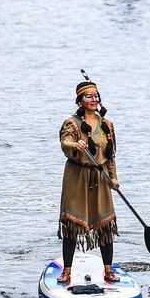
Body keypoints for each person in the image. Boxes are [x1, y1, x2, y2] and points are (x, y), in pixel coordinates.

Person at [57, 79, 120, 286]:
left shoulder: (107, 125)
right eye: (88, 96)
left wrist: (113, 177)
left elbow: (110, 156)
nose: (94, 99)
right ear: (79, 102)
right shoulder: (72, 124)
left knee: (105, 225)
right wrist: (75, 143)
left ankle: (108, 270)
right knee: (72, 226)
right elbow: (65, 143)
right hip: (77, 177)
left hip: (100, 177)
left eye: (96, 96)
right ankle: (66, 271)